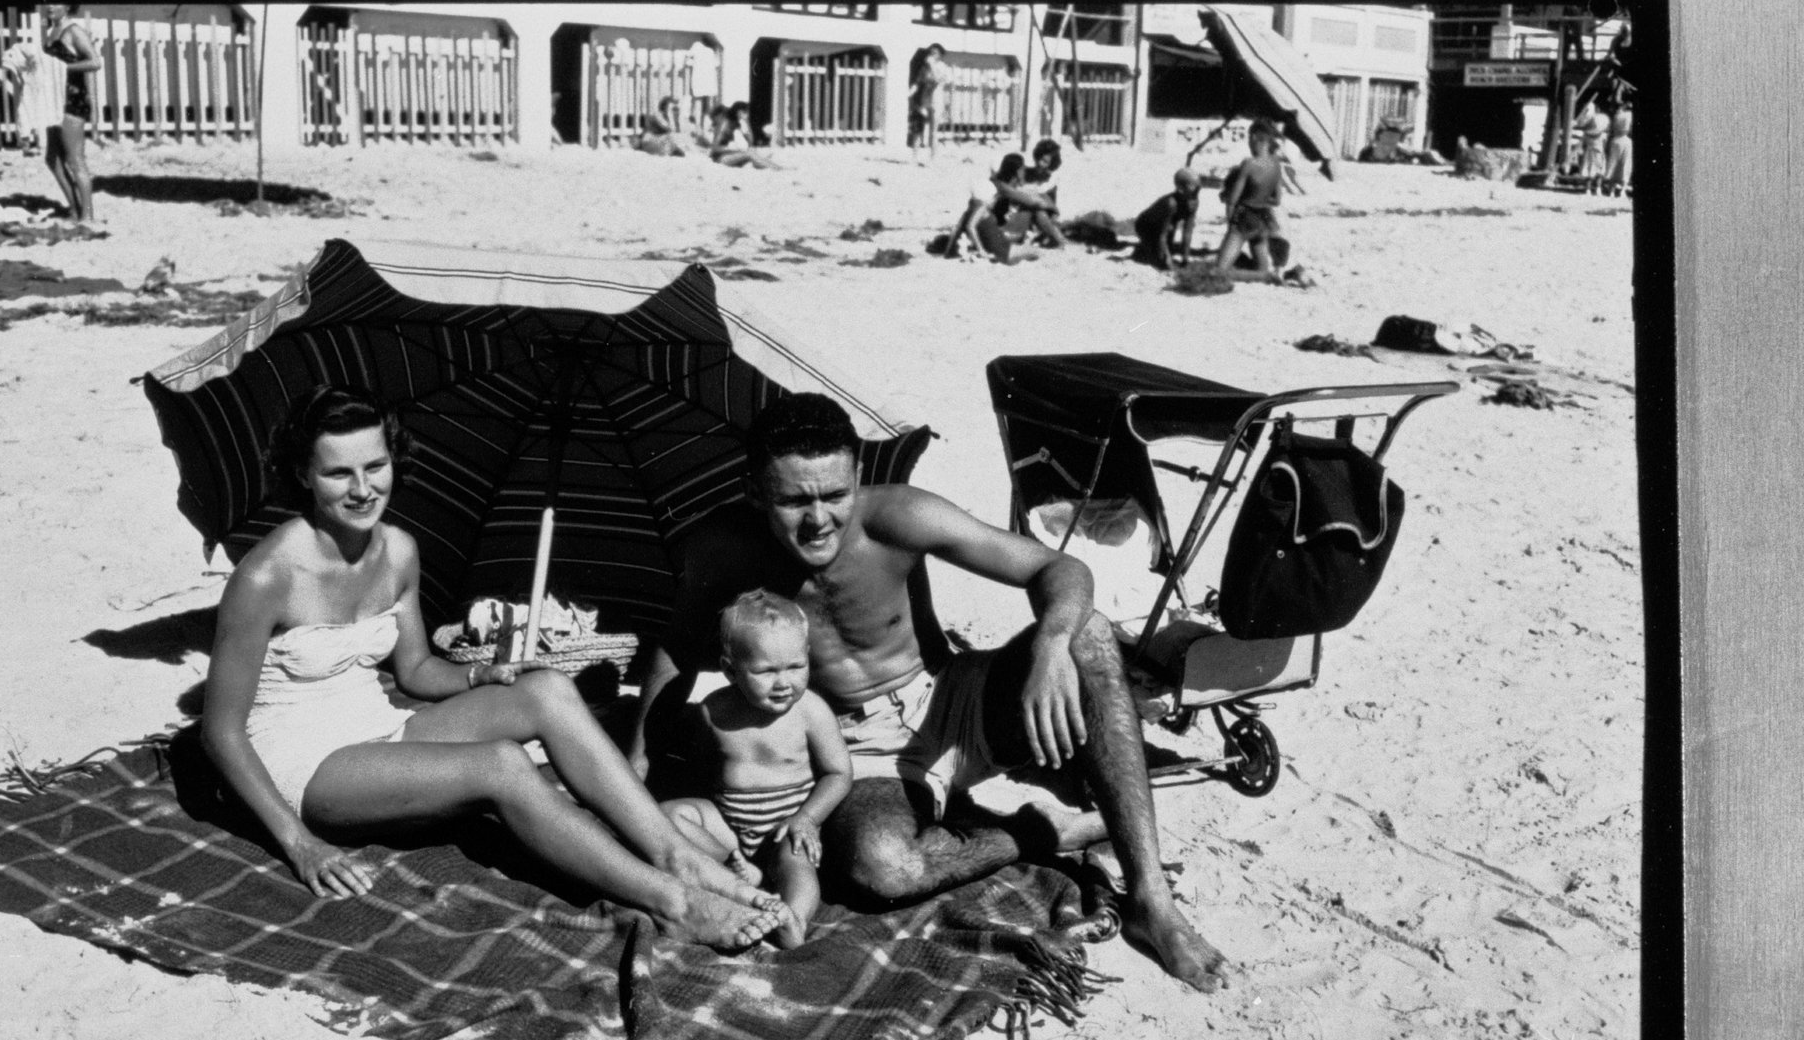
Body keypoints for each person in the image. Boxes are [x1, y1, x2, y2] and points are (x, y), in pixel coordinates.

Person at [630, 394, 1232, 994]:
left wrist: (1049, 647)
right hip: (858, 750)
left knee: (1089, 633)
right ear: (756, 491)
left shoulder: (898, 516)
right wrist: (638, 761)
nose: (818, 520)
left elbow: (1061, 571)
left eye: (834, 495)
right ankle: (1044, 833)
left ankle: (1150, 897)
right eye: (793, 500)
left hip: (950, 701)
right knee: (882, 868)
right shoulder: (722, 548)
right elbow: (675, 648)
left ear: (857, 478)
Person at [202, 385, 781, 951]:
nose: (363, 489)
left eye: (375, 466)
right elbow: (221, 733)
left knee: (548, 689)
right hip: (304, 765)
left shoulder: (397, 549)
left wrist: (484, 675)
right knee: (500, 765)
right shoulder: (266, 576)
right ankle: (672, 904)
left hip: (376, 728)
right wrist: (299, 844)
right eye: (338, 474)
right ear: (303, 474)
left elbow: (417, 669)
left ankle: (676, 855)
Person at [661, 590, 853, 948]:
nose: (784, 682)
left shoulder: (811, 711)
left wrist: (808, 819)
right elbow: (703, 772)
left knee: (797, 862)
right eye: (766, 671)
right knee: (670, 814)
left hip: (787, 828)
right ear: (730, 670)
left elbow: (838, 773)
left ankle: (792, 918)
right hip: (730, 829)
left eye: (796, 667)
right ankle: (732, 870)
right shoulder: (712, 712)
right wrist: (713, 824)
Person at [1213, 119, 1304, 285]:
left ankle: (1266, 277)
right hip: (1263, 222)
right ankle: (1267, 275)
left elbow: (1232, 199)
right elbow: (1276, 200)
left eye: (1249, 138)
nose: (1248, 142)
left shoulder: (1249, 164)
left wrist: (1231, 222)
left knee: (1219, 271)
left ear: (1254, 137)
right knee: (1260, 268)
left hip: (1244, 219)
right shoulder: (1276, 165)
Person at [39, 4, 102, 226]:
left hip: (72, 100)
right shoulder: (50, 31)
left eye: (55, 3)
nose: (49, 7)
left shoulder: (74, 31)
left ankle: (87, 216)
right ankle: (75, 210)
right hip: (53, 100)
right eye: (47, 3)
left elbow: (95, 62)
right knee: (52, 159)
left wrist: (61, 68)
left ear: (67, 6)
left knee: (75, 160)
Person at [943, 152, 1041, 265]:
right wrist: (981, 250)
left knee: (1031, 250)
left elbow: (957, 229)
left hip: (1002, 247)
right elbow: (970, 226)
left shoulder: (971, 209)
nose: (994, 201)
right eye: (993, 197)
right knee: (1036, 252)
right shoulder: (982, 208)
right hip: (1004, 252)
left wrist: (948, 252)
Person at [992, 138, 1066, 247]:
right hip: (1015, 213)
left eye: (1045, 161)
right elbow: (1004, 183)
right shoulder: (1023, 172)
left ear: (1051, 165)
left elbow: (1051, 210)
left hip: (1038, 218)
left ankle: (1056, 239)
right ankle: (1059, 240)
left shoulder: (1050, 182)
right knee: (1035, 207)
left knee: (1038, 209)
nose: (1040, 163)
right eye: (1039, 158)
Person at [1130, 168, 1203, 269]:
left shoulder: (1194, 202)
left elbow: (1187, 232)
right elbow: (1162, 234)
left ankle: (1150, 248)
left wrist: (1185, 259)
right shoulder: (1170, 204)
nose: (1196, 190)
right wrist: (1167, 258)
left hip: (1167, 224)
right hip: (1145, 226)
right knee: (1160, 259)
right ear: (1181, 189)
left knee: (1169, 238)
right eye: (1193, 187)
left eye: (1198, 187)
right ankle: (1143, 248)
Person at [707, 101, 781, 169]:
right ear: (738, 112)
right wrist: (733, 149)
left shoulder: (736, 124)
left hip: (729, 155)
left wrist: (746, 122)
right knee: (749, 154)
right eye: (745, 112)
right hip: (720, 158)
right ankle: (776, 168)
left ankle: (774, 167)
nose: (747, 114)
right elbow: (715, 148)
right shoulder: (725, 124)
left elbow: (750, 142)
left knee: (752, 152)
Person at [908, 43, 947, 162]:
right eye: (930, 52)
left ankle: (932, 159)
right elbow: (918, 82)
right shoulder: (924, 68)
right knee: (918, 128)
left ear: (940, 55)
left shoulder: (942, 67)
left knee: (933, 132)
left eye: (934, 52)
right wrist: (909, 93)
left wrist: (932, 66)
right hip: (925, 100)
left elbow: (937, 80)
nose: (931, 54)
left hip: (936, 100)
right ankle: (914, 157)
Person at [1603, 96, 1633, 197]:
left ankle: (1612, 189)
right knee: (1625, 164)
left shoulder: (1616, 115)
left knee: (1613, 163)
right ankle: (1622, 190)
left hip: (1615, 139)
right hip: (1625, 139)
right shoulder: (1629, 115)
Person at [1577, 102, 1610, 193]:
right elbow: (1605, 144)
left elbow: (1583, 144)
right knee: (1599, 170)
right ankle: (1598, 188)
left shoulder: (1586, 134)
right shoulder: (1603, 135)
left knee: (1588, 169)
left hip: (1589, 152)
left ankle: (1588, 189)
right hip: (1599, 152)